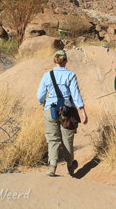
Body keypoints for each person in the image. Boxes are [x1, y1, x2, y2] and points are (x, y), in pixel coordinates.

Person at [37, 49, 88, 177]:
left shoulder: (47, 76)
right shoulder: (70, 75)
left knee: (52, 139)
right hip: (67, 111)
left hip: (50, 110)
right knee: (67, 139)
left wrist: (43, 102)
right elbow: (75, 95)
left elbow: (40, 96)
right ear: (65, 61)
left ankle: (52, 166)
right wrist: (82, 111)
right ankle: (70, 166)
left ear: (54, 61)